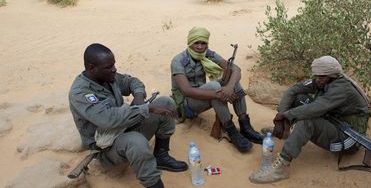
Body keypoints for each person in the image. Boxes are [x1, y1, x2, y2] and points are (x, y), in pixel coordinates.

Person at [69, 43, 187, 188]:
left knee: (166, 103)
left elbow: (131, 81)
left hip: (124, 128)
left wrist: (138, 95)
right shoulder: (80, 93)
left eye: (114, 65)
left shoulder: (107, 76)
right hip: (106, 145)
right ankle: (154, 184)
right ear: (91, 67)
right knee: (136, 142)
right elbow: (108, 119)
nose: (114, 69)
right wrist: (146, 108)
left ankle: (161, 156)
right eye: (108, 67)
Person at [249, 55, 370, 184]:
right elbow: (292, 91)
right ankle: (285, 131)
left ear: (332, 75)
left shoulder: (341, 88)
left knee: (307, 121)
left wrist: (285, 115)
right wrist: (281, 119)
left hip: (348, 138)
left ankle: (281, 168)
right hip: (335, 122)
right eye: (316, 75)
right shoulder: (324, 80)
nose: (317, 79)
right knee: (299, 97)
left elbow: (316, 109)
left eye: (321, 76)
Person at [170, 26, 263, 153]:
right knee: (215, 87)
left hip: (203, 95)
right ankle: (230, 130)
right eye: (196, 43)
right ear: (190, 42)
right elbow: (186, 90)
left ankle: (245, 126)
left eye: (203, 43)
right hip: (187, 104)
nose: (200, 46)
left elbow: (236, 69)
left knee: (232, 79)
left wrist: (229, 88)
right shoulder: (178, 60)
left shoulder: (207, 54)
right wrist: (218, 94)